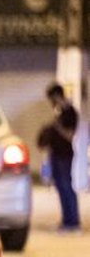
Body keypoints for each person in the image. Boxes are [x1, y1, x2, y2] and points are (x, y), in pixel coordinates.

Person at [42, 82, 81, 232]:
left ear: (57, 96)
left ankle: (73, 222)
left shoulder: (70, 112)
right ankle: (66, 220)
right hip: (56, 153)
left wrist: (56, 127)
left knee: (66, 187)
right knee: (60, 187)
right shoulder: (59, 112)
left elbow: (69, 135)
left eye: (52, 98)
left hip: (64, 155)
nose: (51, 102)